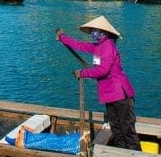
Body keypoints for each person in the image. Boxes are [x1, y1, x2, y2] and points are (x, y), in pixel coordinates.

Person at [55, 15, 140, 150]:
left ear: (103, 32)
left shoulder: (108, 46)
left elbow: (103, 70)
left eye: (94, 31)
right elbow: (79, 45)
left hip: (120, 94)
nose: (92, 34)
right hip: (110, 94)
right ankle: (121, 154)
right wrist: (63, 38)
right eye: (91, 31)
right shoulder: (98, 46)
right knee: (116, 127)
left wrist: (83, 73)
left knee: (126, 129)